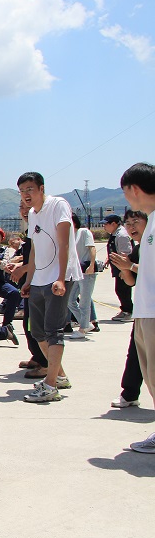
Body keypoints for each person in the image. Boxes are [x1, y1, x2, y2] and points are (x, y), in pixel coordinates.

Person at [18, 171, 82, 403]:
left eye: (30, 189)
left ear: (41, 189)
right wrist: (29, 280)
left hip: (58, 277)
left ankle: (51, 385)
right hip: (39, 279)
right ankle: (60, 376)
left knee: (53, 331)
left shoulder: (58, 205)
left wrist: (61, 278)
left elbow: (64, 243)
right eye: (22, 191)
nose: (26, 195)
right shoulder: (32, 214)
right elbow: (35, 250)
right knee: (37, 332)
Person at [114, 164, 155, 452]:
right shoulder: (150, 222)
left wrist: (132, 267)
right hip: (145, 310)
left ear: (135, 189)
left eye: (126, 192)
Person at [110, 210, 147, 409]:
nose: (131, 227)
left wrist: (130, 266)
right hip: (143, 310)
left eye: (135, 222)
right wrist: (125, 268)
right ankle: (130, 394)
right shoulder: (138, 248)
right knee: (135, 354)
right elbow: (131, 282)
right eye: (128, 223)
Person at [8, 195, 49, 378]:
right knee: (29, 323)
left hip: (41, 282)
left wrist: (23, 269)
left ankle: (46, 363)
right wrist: (20, 266)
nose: (24, 210)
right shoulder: (32, 230)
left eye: (27, 206)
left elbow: (43, 256)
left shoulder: (41, 228)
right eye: (21, 207)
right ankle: (38, 357)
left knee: (37, 325)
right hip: (32, 281)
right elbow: (31, 256)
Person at [66, 213, 98, 340]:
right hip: (77, 272)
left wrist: (91, 265)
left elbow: (92, 248)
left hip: (87, 271)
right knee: (70, 300)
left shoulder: (84, 232)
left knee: (85, 301)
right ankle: (86, 324)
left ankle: (83, 329)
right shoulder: (70, 236)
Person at [104, 214, 135, 321]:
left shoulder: (121, 235)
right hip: (118, 266)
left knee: (123, 290)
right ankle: (125, 310)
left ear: (113, 224)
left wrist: (124, 270)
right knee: (120, 289)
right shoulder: (115, 234)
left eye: (106, 224)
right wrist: (109, 259)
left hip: (123, 268)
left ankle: (129, 311)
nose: (104, 226)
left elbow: (126, 253)